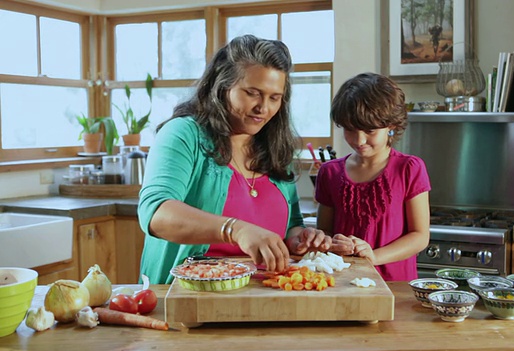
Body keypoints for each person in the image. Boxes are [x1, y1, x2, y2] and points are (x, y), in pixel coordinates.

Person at [137, 35, 334, 284]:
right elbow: (155, 213)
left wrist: (301, 238)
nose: (263, 108)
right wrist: (234, 229)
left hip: (262, 300)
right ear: (223, 86)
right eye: (252, 93)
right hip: (187, 297)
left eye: (274, 98)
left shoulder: (274, 147)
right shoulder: (183, 134)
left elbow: (290, 226)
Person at [314, 72, 431, 281]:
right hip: (342, 284)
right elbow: (324, 233)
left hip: (394, 287)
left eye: (369, 130)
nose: (359, 140)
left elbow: (420, 236)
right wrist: (332, 243)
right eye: (350, 129)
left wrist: (373, 256)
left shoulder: (409, 169)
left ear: (391, 126)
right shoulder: (329, 172)